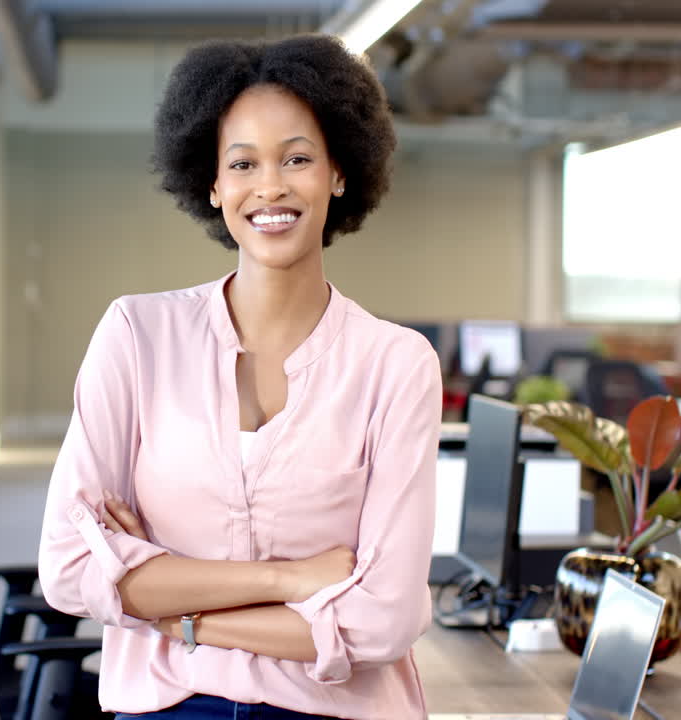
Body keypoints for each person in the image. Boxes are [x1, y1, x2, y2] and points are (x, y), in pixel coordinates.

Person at [38, 33, 440, 720]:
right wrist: (289, 580)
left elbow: (383, 621)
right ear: (214, 183)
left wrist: (174, 610)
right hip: (171, 706)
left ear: (339, 173)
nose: (271, 186)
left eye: (298, 159)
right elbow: (71, 569)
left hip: (332, 710)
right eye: (244, 163)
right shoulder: (137, 336)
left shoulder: (396, 365)